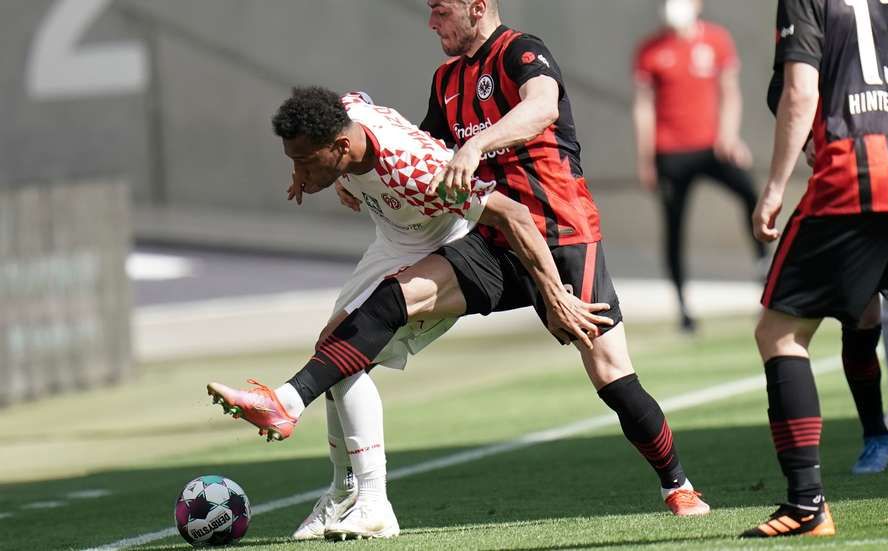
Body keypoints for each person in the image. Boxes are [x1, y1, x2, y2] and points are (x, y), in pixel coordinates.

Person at [211, 0, 712, 523]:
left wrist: (476, 149)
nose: (432, 23)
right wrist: (353, 177)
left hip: (561, 233)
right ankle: (297, 415)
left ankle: (677, 484)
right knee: (390, 301)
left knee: (610, 374)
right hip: (491, 238)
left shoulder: (521, 51)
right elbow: (422, 148)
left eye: (441, 11)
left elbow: (542, 108)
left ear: (477, 7)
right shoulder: (447, 79)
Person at [209, 86, 611, 540]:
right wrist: (331, 174)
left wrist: (555, 296)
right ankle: (343, 492)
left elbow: (514, 216)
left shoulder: (417, 171)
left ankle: (368, 496)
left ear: (340, 147)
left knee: (350, 346)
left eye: (304, 161)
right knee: (333, 351)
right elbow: (353, 99)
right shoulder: (343, 120)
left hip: (442, 247)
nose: (298, 172)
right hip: (394, 240)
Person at [745, 0, 888, 538]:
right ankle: (877, 434)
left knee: (779, 334)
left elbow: (798, 93)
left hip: (852, 177)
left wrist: (775, 188)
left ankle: (806, 504)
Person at [633, 0, 766, 332]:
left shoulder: (717, 40)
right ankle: (683, 308)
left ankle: (765, 273)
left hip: (713, 147)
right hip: (670, 153)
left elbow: (730, 92)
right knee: (674, 227)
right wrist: (646, 158)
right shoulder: (650, 50)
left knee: (752, 194)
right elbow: (644, 107)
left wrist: (729, 136)